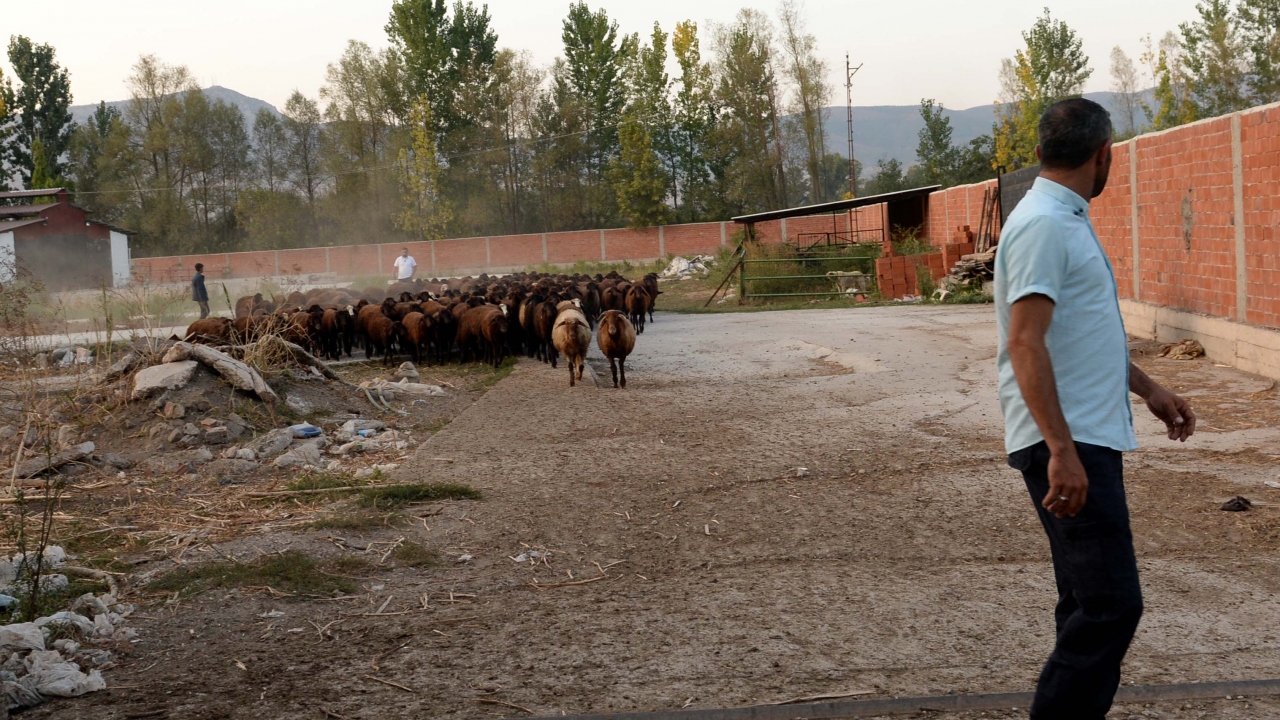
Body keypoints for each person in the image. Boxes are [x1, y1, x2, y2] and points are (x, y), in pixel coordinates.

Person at [995, 98, 1196, 720]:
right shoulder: (1045, 226)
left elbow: (1077, 335)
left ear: (1037, 154)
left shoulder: (1062, 218)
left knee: (1084, 600)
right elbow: (1024, 341)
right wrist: (1060, 451)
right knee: (1112, 605)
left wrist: (1147, 388)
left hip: (1079, 435)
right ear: (1105, 154)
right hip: (1069, 442)